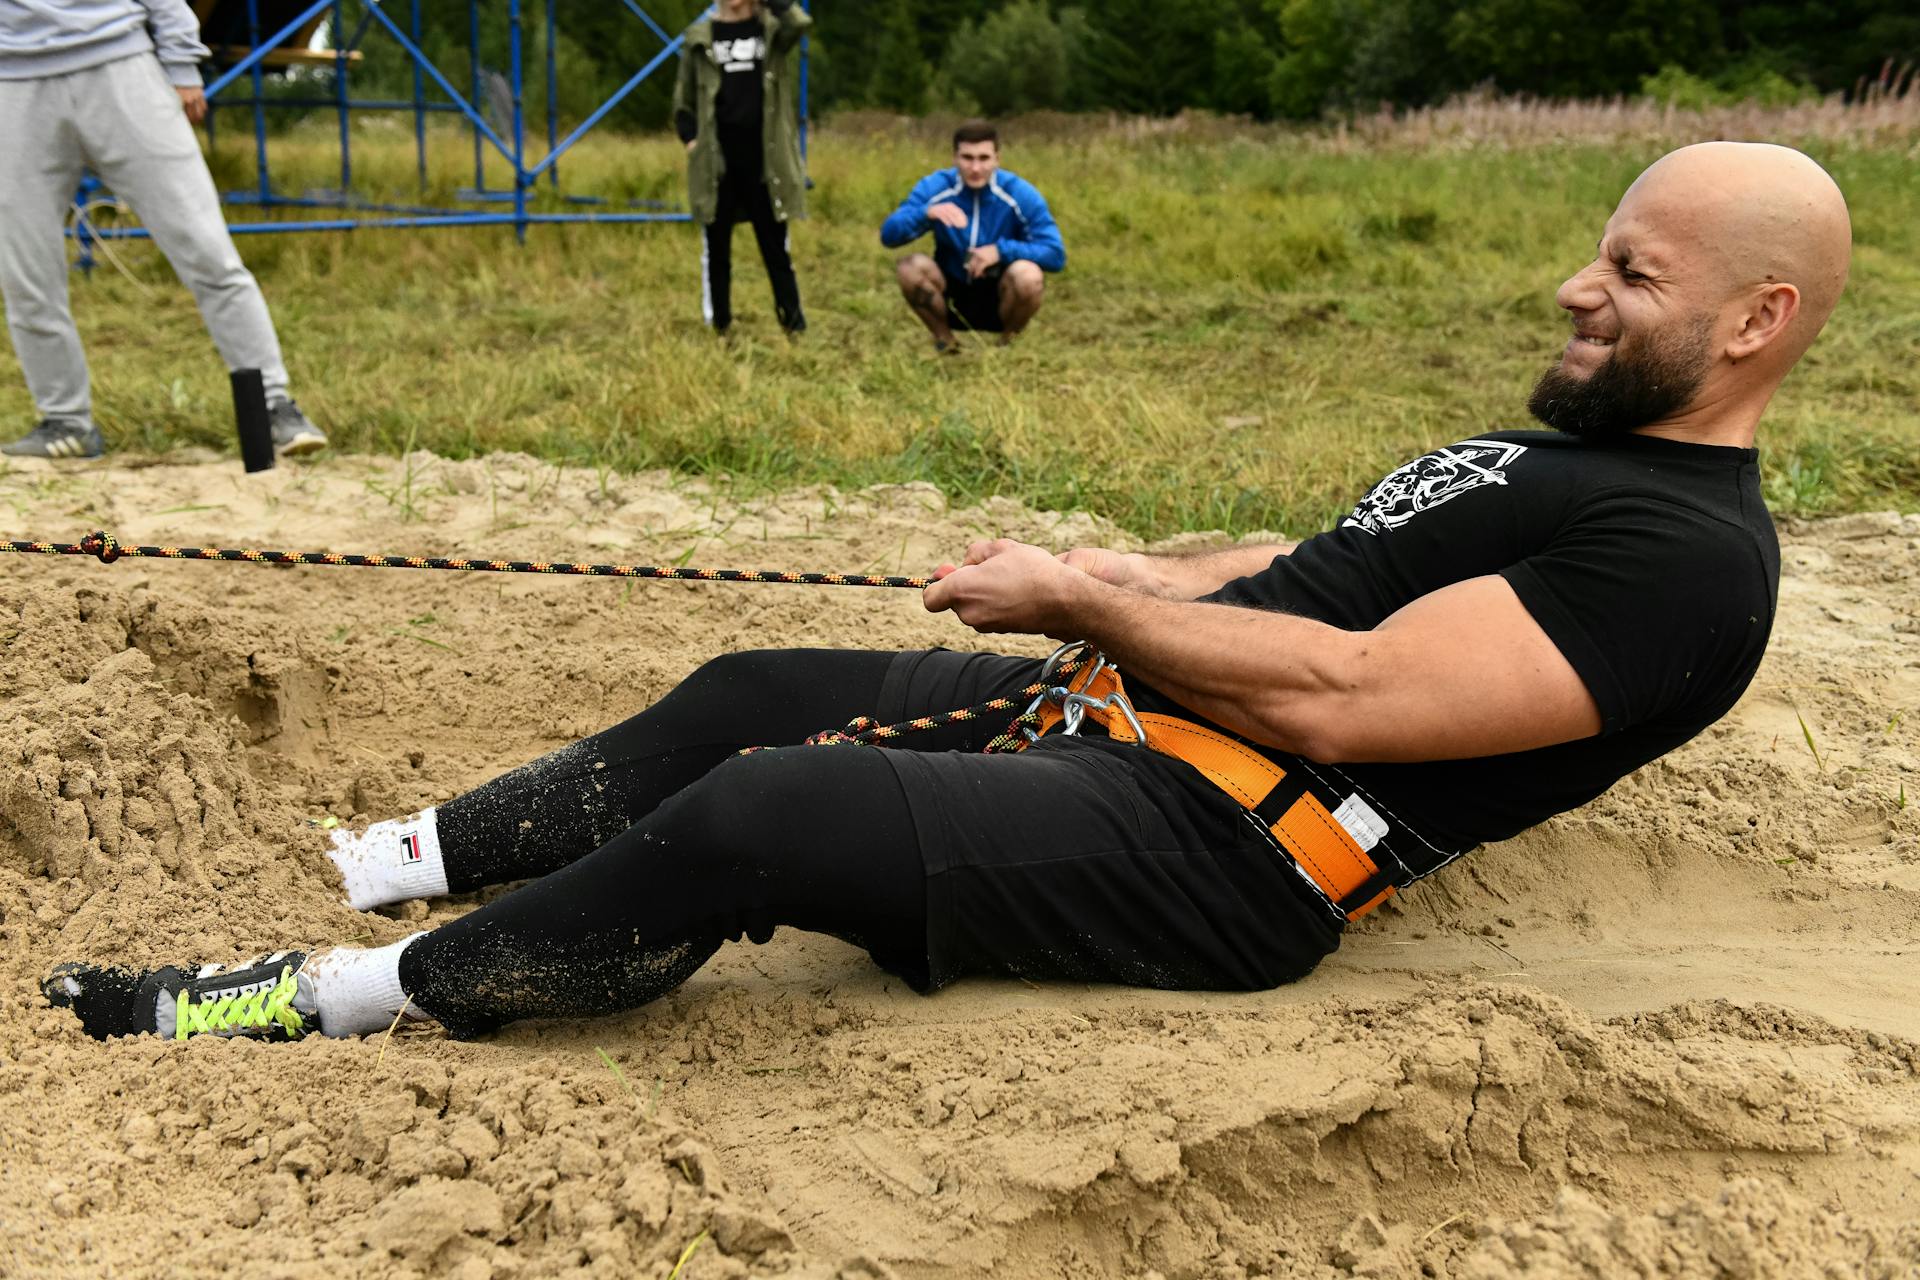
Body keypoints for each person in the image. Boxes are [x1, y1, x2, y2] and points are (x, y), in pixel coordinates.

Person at [45, 142, 1851, 1044]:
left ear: (1757, 319)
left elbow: (1345, 698)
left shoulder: (1693, 565)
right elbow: (1327, 577)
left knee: (780, 801)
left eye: (1630, 267)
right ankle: (402, 854)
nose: (1574, 286)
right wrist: (1142, 578)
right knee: (755, 688)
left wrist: (1089, 601)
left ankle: (328, 993)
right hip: (1145, 728)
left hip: (1224, 855)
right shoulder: (1577, 465)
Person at [0, 0, 325, 460]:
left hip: (121, 66)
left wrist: (181, 61)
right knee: (23, 270)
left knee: (206, 250)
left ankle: (272, 409)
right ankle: (65, 423)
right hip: (11, 83)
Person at [672, 0, 810, 338]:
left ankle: (793, 326)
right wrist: (693, 143)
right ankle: (720, 326)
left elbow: (799, 24)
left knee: (775, 246)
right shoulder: (699, 37)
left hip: (765, 159)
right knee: (717, 248)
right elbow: (683, 101)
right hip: (717, 161)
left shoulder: (772, 32)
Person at [881, 121, 1065, 351]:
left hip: (1001, 294)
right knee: (910, 268)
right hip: (952, 289)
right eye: (967, 158)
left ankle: (1007, 345)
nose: (975, 168)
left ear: (997, 158)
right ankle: (945, 341)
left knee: (1028, 275)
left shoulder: (1019, 193)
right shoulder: (937, 187)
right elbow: (889, 236)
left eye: (984, 158)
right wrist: (925, 212)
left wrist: (1000, 251)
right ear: (955, 158)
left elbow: (1055, 254)